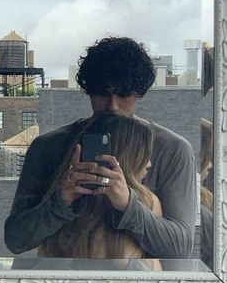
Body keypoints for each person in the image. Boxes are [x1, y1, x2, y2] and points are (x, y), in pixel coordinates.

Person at [4, 36, 196, 258]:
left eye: (124, 94)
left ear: (139, 93)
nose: (112, 105)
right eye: (102, 93)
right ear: (89, 90)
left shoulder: (172, 149)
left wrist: (127, 205)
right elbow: (15, 240)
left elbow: (180, 248)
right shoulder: (49, 147)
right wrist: (62, 200)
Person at [38, 115, 162, 270]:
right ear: (126, 158)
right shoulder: (71, 196)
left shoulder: (147, 200)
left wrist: (126, 260)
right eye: (142, 155)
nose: (149, 164)